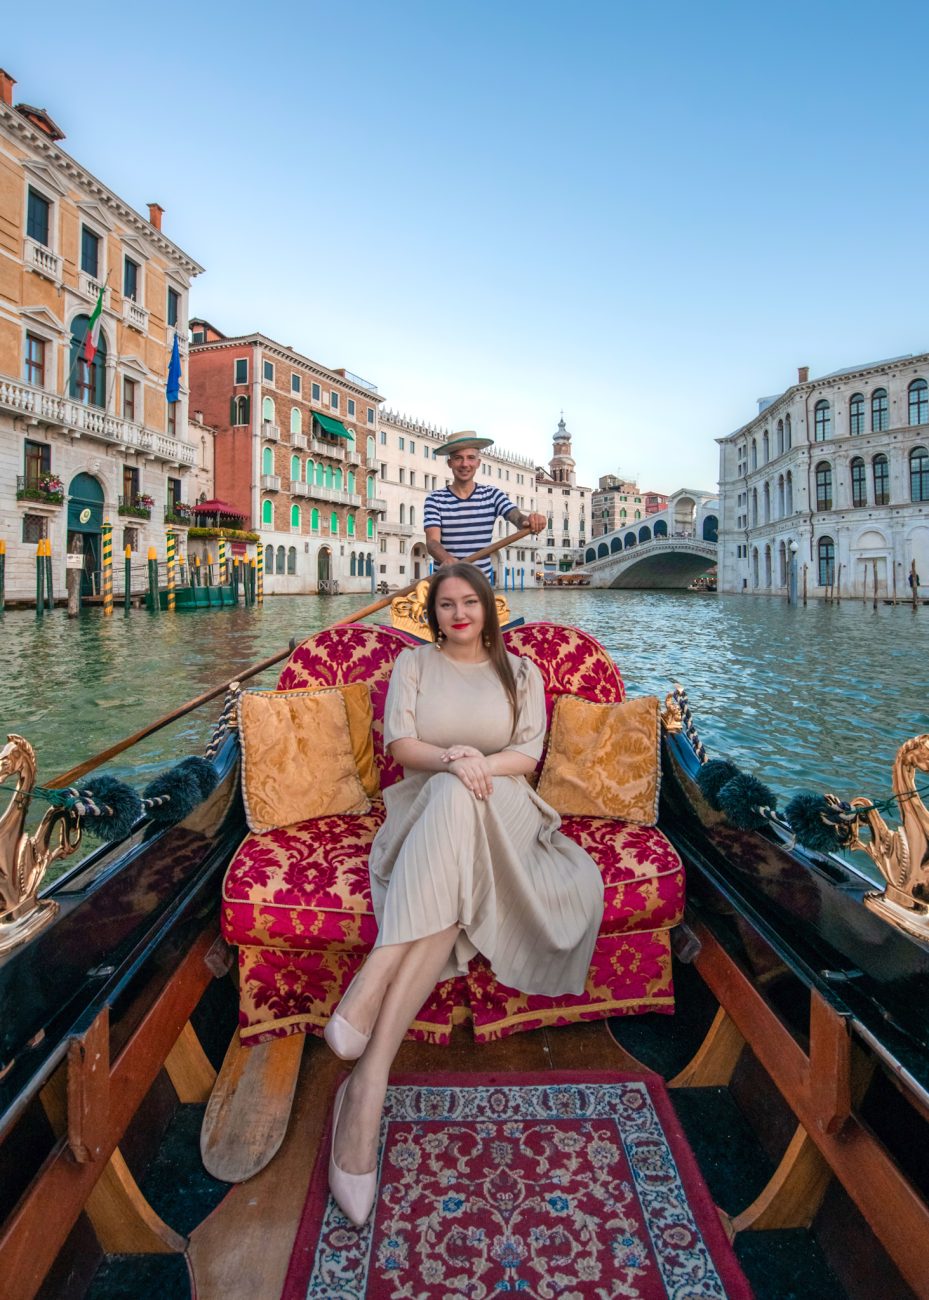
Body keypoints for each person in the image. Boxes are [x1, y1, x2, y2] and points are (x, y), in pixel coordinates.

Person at [323, 562, 604, 1225]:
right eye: (445, 604)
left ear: (486, 608)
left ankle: (373, 998)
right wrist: (453, 759)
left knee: (458, 799)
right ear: (433, 614)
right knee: (448, 822)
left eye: (467, 602)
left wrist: (475, 763)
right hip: (426, 803)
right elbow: (400, 744)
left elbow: (528, 755)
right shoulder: (415, 665)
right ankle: (368, 1086)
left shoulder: (522, 670)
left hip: (507, 804)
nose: (457, 614)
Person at [423, 432, 547, 581]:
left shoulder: (492, 495)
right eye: (458, 458)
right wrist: (447, 559)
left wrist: (530, 521)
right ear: (450, 463)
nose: (464, 464)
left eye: (470, 458)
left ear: (478, 463)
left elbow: (517, 517)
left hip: (481, 585)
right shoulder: (435, 499)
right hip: (445, 582)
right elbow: (432, 542)